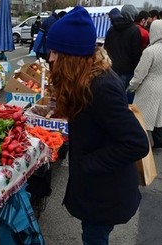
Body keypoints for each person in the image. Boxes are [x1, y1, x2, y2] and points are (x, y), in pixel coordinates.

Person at [46, 6, 149, 245]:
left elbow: (136, 143)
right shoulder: (88, 79)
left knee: (94, 237)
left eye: (55, 51)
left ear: (71, 55)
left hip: (105, 192)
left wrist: (88, 163)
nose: (50, 57)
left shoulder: (101, 87)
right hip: (99, 188)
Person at [128, 20, 162, 148]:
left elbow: (140, 73)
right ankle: (155, 142)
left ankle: (144, 146)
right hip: (161, 86)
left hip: (149, 88)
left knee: (143, 119)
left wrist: (132, 86)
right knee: (157, 118)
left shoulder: (150, 51)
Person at [104, 4, 142, 104]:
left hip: (111, 69)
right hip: (127, 71)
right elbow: (136, 53)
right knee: (125, 102)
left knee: (110, 98)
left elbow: (105, 49)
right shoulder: (134, 30)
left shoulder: (111, 29)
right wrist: (136, 70)